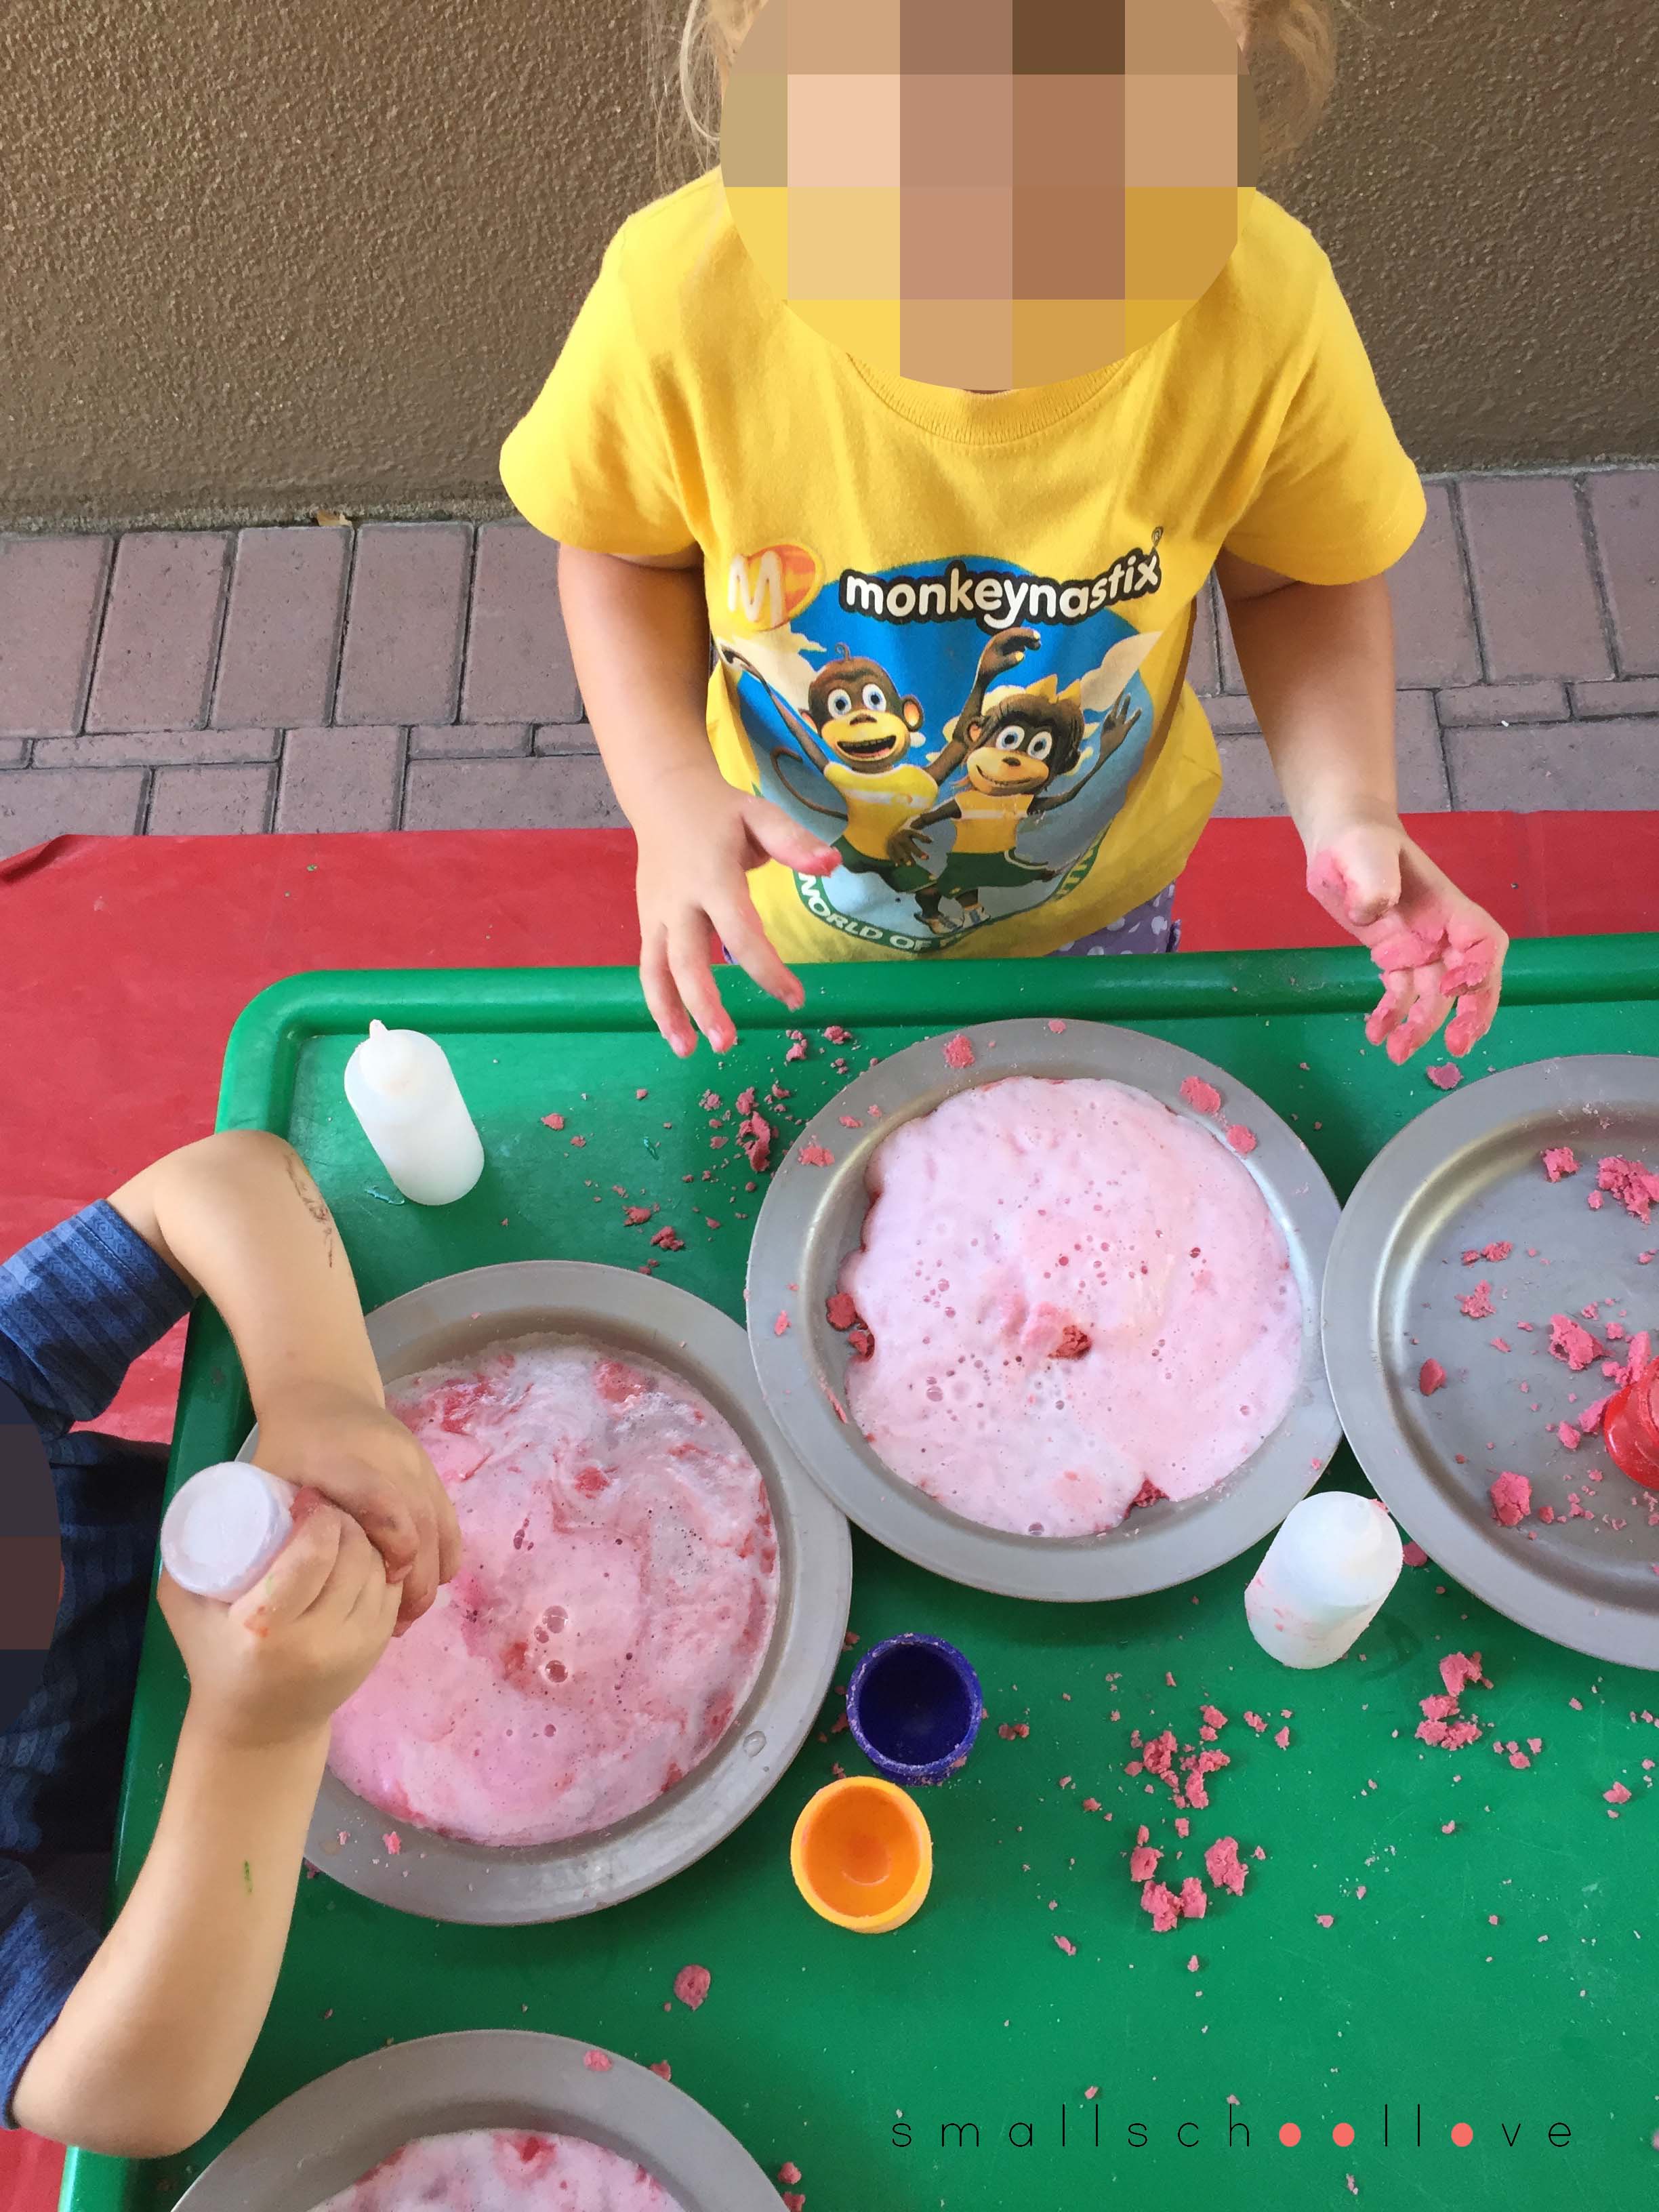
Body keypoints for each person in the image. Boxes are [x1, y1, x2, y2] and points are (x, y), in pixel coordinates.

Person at [500, 0, 1507, 1065]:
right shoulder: (680, 301)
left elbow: (1296, 581)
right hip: (780, 907)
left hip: (1095, 906)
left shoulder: (1264, 307)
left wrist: (1352, 808)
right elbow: (625, 557)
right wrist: (669, 797)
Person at [1, 1132, 460, 2155]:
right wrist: (259, 1735)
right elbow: (122, 2099)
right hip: (205, 1856)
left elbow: (219, 1184)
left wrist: (320, 1392)